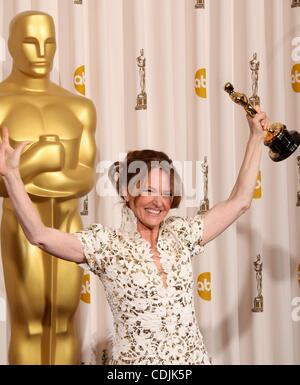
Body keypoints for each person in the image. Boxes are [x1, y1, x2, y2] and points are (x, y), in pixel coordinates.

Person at [0, 106, 269, 364]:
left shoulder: (181, 234)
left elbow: (240, 202)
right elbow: (39, 235)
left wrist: (256, 137)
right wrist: (12, 175)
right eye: (149, 190)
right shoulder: (106, 245)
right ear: (127, 192)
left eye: (165, 193)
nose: (158, 202)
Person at [0, 11, 96, 364]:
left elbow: (85, 176)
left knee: (62, 322)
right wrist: (41, 159)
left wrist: (23, 174)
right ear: (11, 45)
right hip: (20, 226)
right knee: (29, 323)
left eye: (49, 42)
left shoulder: (79, 106)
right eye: (30, 41)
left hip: (69, 223)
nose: (41, 51)